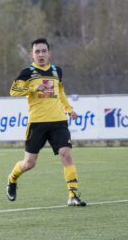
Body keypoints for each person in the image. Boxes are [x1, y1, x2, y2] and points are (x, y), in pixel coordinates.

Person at [5, 38, 86, 207]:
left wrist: (69, 108)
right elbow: (13, 91)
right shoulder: (27, 72)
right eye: (37, 52)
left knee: (66, 154)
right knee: (29, 163)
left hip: (58, 121)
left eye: (43, 51)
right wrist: (34, 89)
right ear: (31, 54)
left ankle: (73, 194)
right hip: (37, 123)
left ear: (49, 53)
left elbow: (61, 92)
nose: (41, 54)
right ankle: (12, 178)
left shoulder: (57, 71)